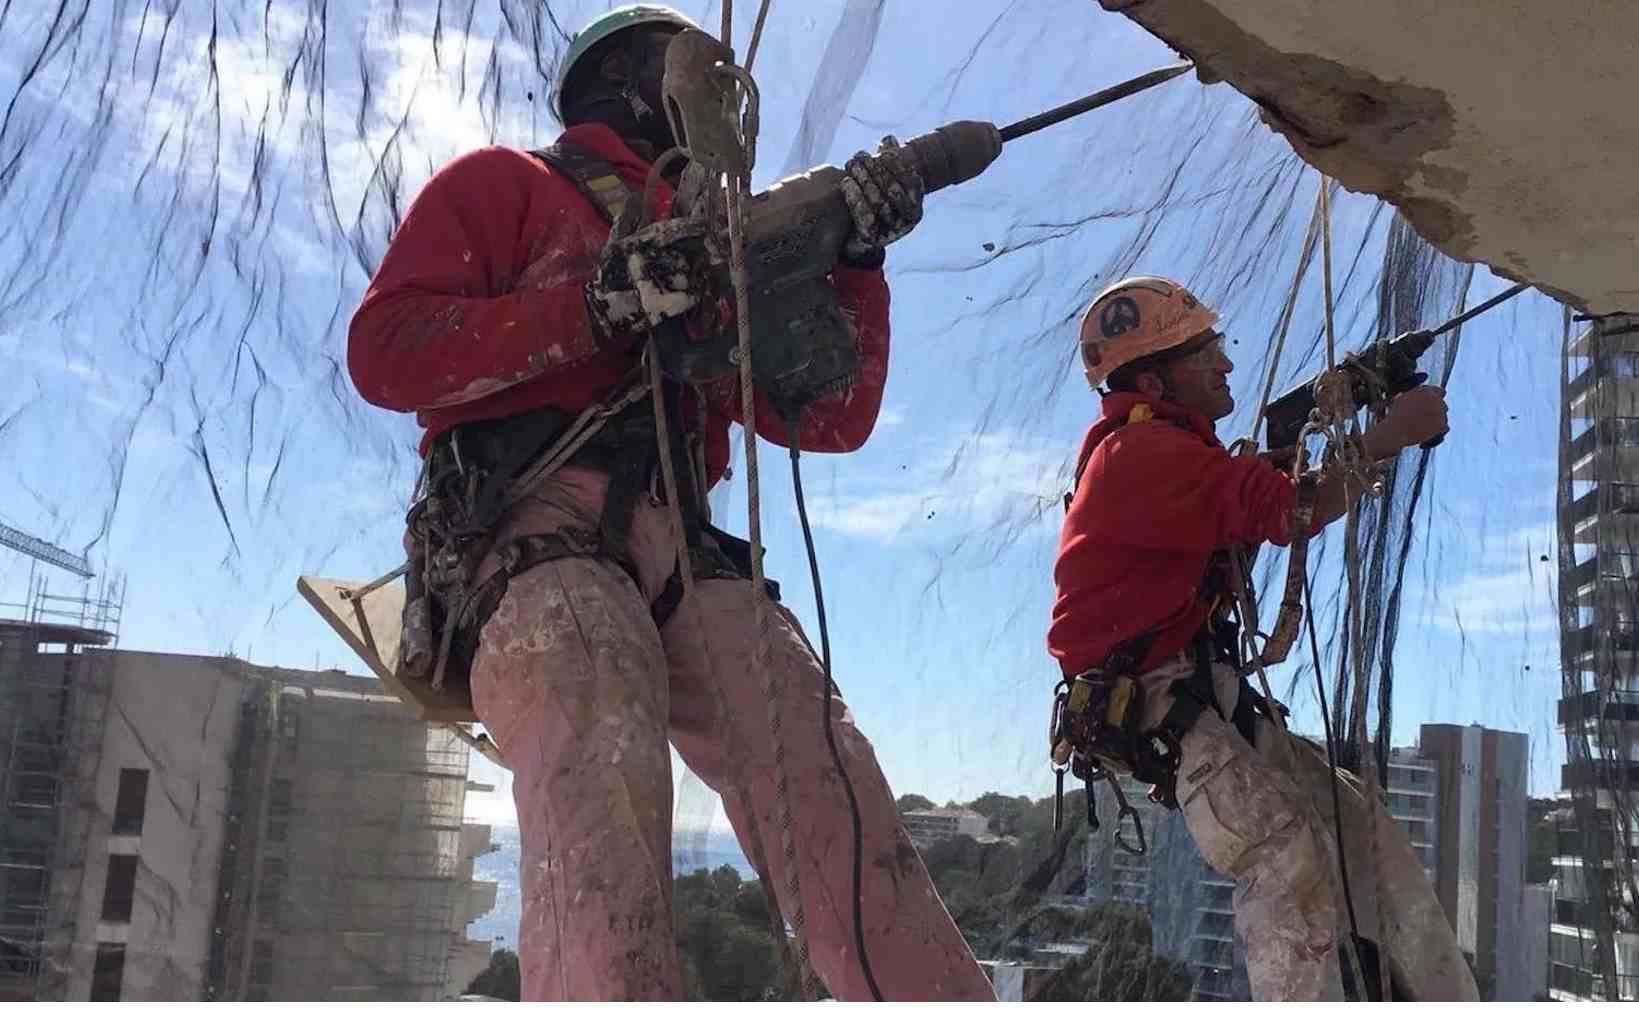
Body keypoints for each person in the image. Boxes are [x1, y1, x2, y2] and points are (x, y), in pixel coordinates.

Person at [346, 4, 993, 1001]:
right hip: (532, 529)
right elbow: (386, 350)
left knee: (826, 773)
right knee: (594, 730)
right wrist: (599, 303)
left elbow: (827, 414)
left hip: (681, 554)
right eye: (695, 70)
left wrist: (854, 262)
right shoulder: (509, 185)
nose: (722, 97)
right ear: (627, 83)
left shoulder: (716, 249)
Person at [1047, 275, 1478, 1001]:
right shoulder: (1140, 454)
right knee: (1285, 860)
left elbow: (1254, 491)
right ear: (1155, 377)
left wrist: (1338, 395)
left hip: (1199, 697)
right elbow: (1289, 508)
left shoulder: (1171, 455)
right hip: (1166, 704)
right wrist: (1389, 433)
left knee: (1360, 831)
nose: (1226, 364)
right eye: (1206, 351)